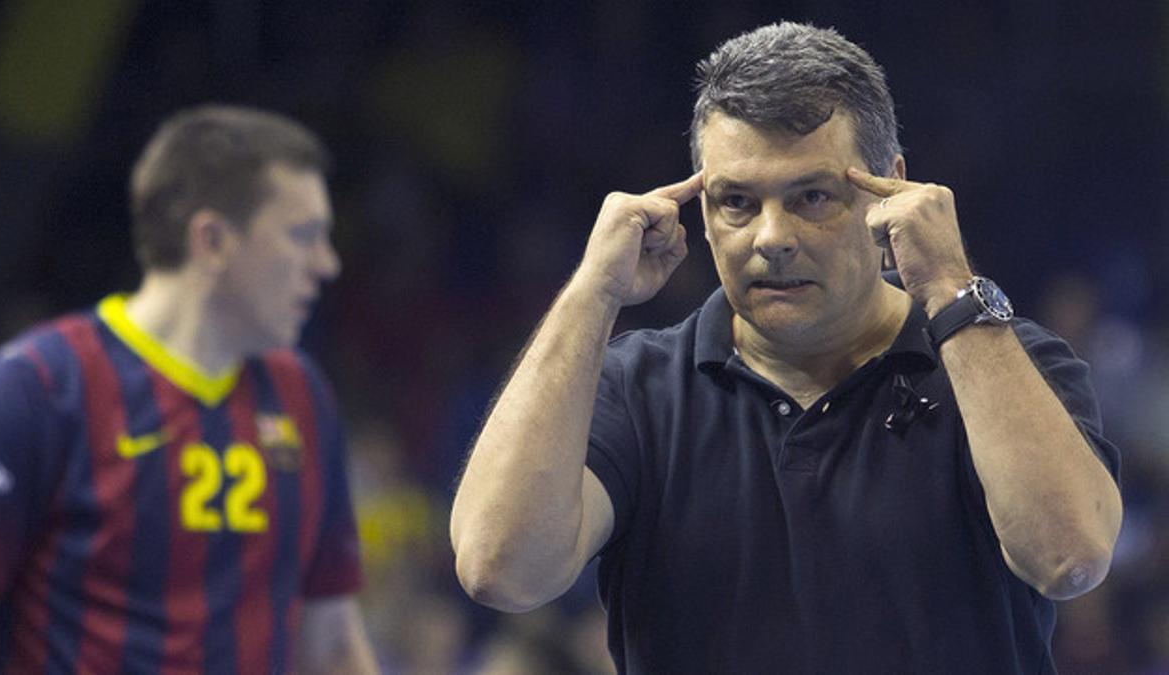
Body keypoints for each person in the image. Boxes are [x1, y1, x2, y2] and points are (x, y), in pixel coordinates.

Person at [450, 21, 1122, 674]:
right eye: (737, 200)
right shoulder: (637, 389)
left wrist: (952, 286)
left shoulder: (1004, 364)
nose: (771, 236)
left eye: (812, 196)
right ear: (702, 210)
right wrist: (591, 293)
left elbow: (1070, 557)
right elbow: (500, 567)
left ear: (891, 189)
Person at [0, 105, 380, 673]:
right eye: (303, 236)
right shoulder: (32, 390)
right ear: (211, 240)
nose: (327, 265)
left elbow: (332, 647)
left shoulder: (302, 396)